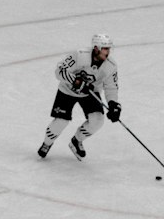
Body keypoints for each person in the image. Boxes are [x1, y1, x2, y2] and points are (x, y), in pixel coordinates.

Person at [37, 32, 120, 161]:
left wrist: (113, 104)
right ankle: (47, 143)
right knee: (60, 122)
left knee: (97, 120)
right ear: (96, 48)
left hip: (90, 93)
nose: (108, 52)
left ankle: (77, 140)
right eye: (105, 48)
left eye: (109, 48)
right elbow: (59, 71)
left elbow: (111, 87)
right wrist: (76, 81)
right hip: (67, 90)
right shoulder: (79, 55)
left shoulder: (111, 65)